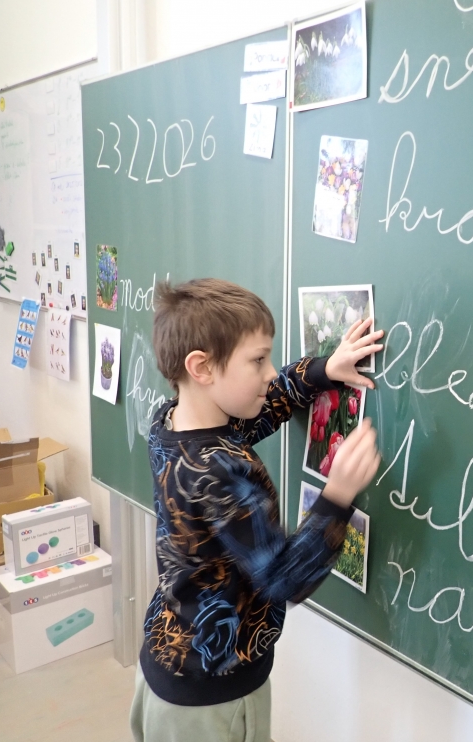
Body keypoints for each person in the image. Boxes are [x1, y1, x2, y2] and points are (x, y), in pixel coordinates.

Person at [130, 278, 383, 742]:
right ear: (202, 367)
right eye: (258, 360)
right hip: (211, 701)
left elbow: (254, 414)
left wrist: (323, 370)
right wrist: (338, 495)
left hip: (167, 669)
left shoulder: (171, 422)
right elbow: (284, 578)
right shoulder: (223, 471)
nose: (270, 374)